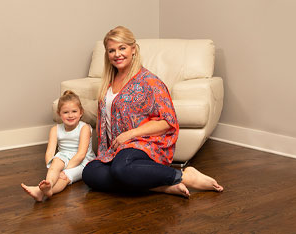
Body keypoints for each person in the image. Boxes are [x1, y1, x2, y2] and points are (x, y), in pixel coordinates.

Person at [82, 26, 223, 197]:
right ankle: (161, 186)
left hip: (144, 144)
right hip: (115, 149)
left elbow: (168, 121)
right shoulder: (107, 83)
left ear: (133, 49)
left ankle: (183, 175)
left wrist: (130, 134)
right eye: (111, 50)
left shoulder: (150, 82)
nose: (117, 54)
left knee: (121, 168)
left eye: (122, 48)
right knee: (90, 173)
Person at [21, 90, 96, 201]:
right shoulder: (55, 129)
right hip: (64, 156)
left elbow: (81, 154)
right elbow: (50, 153)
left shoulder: (84, 128)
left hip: (83, 161)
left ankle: (44, 191)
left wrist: (63, 171)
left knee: (64, 177)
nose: (70, 115)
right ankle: (49, 184)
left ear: (81, 112)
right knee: (55, 162)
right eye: (65, 112)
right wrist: (52, 168)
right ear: (59, 114)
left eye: (74, 111)